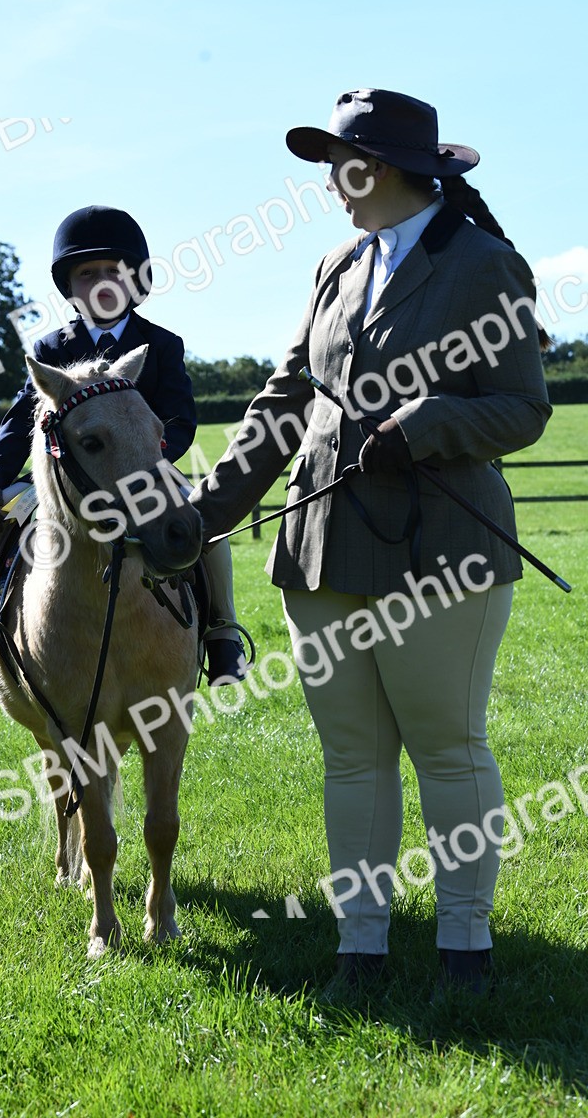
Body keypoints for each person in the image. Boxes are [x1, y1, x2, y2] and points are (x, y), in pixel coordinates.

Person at [190, 89, 551, 995]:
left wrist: (425, 425)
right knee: (351, 756)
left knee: (447, 747)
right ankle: (362, 946)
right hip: (320, 545)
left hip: (442, 551)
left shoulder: (484, 264)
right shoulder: (336, 264)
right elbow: (284, 398)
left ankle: (465, 949)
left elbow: (523, 407)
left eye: (338, 167)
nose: (327, 184)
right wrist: (207, 512)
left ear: (381, 169)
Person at [0, 205, 246, 685]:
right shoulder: (50, 350)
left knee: (203, 521)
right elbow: (19, 423)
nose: (102, 282)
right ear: (70, 286)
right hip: (64, 479)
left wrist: (144, 459)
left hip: (147, 470)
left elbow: (181, 418)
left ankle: (222, 630)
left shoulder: (162, 344)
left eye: (114, 271)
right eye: (87, 273)